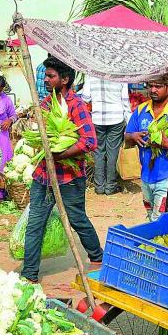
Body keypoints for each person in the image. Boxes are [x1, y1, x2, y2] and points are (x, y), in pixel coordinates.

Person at [22, 57, 103, 283]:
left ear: (65, 79)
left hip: (69, 177)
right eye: (46, 76)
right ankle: (29, 274)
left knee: (77, 219)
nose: (46, 80)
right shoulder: (45, 104)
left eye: (51, 76)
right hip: (43, 176)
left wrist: (60, 155)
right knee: (35, 223)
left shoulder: (76, 105)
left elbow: (89, 141)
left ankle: (97, 256)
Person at [125, 82, 168, 221]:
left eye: (158, 86)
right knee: (150, 217)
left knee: (159, 219)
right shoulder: (141, 110)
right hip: (146, 176)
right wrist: (133, 136)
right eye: (150, 86)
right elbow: (127, 135)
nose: (153, 90)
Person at [81, 77, 131, 195]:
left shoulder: (91, 74)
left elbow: (85, 98)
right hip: (116, 118)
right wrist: (129, 122)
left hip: (97, 118)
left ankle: (99, 186)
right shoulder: (121, 75)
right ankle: (110, 187)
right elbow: (125, 100)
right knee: (113, 152)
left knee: (98, 153)